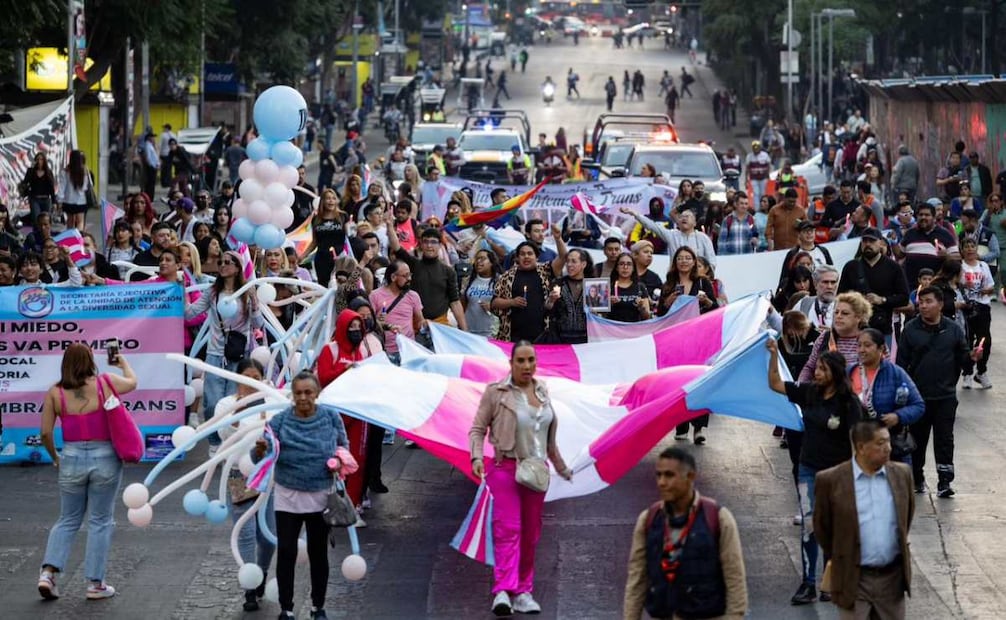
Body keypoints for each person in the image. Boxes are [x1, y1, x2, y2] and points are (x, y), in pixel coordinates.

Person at [469, 341, 572, 616]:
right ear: (511, 363)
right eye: (521, 361)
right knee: (508, 529)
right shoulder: (496, 393)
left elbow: (548, 438)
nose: (527, 366)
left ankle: (524, 591)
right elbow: (477, 429)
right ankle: (503, 590)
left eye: (531, 361)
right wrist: (477, 458)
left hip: (536, 472)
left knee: (530, 534)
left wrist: (563, 467)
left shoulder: (543, 391)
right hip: (504, 468)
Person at [767, 338, 865, 605]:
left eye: (822, 369)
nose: (816, 373)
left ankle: (830, 582)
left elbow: (859, 441)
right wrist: (774, 354)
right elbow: (775, 384)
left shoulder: (849, 404)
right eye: (817, 368)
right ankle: (808, 584)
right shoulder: (810, 392)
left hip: (838, 474)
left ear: (835, 373)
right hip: (808, 470)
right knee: (810, 527)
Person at [37, 343, 138, 601]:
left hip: (70, 457)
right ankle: (96, 584)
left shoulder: (55, 393)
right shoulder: (105, 382)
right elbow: (132, 382)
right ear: (91, 359)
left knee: (68, 518)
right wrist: (122, 362)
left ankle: (48, 573)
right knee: (100, 521)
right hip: (105, 457)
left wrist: (55, 457)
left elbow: (46, 432)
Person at [252, 371, 352, 620]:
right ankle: (286, 609)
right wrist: (260, 448)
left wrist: (339, 461)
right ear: (292, 395)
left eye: (308, 392)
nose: (303, 397)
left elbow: (344, 447)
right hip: (288, 495)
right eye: (298, 393)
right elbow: (260, 458)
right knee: (286, 551)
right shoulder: (279, 421)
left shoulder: (330, 417)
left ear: (317, 393)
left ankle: (318, 607)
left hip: (321, 494)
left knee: (319, 553)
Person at [623, 446, 747, 620]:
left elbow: (735, 579)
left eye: (669, 475)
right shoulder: (648, 519)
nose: (661, 482)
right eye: (658, 475)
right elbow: (637, 579)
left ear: (690, 477)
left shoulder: (718, 518)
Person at [814, 419, 915, 619]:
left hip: (892, 581)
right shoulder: (831, 480)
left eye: (888, 441)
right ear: (860, 447)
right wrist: (842, 553)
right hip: (854, 579)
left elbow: (906, 517)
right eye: (880, 443)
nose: (888, 448)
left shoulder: (902, 475)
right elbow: (822, 528)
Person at [898, 286, 979, 497]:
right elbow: (901, 365)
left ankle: (945, 481)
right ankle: (916, 477)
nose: (923, 306)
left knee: (945, 440)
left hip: (945, 396)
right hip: (918, 399)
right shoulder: (910, 330)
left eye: (928, 302)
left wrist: (972, 358)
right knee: (917, 439)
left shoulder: (953, 329)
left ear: (941, 304)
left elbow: (964, 360)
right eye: (921, 302)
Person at [210, 358, 277, 611]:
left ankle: (261, 574)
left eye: (256, 379)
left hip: (267, 476)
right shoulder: (226, 404)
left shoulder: (272, 403)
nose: (251, 383)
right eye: (246, 378)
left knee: (269, 536)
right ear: (238, 380)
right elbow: (223, 436)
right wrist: (238, 413)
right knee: (246, 533)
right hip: (239, 475)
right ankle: (250, 589)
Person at [184, 250, 263, 445]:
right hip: (214, 354)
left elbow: (258, 323)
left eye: (228, 262)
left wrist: (254, 301)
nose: (222, 265)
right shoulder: (212, 292)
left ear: (237, 268)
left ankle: (229, 444)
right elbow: (190, 314)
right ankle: (214, 442)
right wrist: (181, 293)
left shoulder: (246, 292)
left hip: (238, 355)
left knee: (232, 403)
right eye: (220, 262)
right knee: (212, 404)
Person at [317, 309, 383, 522]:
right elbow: (323, 377)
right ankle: (327, 505)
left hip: (357, 413)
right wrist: (345, 371)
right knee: (330, 459)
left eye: (358, 327)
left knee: (357, 460)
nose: (355, 331)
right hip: (334, 414)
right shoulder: (330, 350)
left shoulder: (362, 351)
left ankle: (352, 507)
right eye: (351, 327)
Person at [850, 328, 926, 465]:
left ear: (881, 348)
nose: (861, 350)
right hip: (855, 446)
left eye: (867, 345)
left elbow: (918, 405)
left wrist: (898, 416)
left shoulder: (895, 374)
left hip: (888, 448)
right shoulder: (849, 372)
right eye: (859, 345)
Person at [492, 230, 567, 343]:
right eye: (522, 254)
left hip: (542, 334)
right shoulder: (506, 277)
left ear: (537, 257)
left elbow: (563, 257)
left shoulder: (545, 270)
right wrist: (512, 302)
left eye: (530, 254)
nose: (526, 257)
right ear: (517, 258)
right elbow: (494, 303)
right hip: (513, 336)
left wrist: (558, 238)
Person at [837, 228, 909, 344]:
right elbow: (840, 296)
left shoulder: (893, 267)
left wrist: (882, 300)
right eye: (865, 241)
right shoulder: (851, 267)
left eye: (872, 241)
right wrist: (857, 300)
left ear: (880, 242)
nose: (868, 244)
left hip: (882, 329)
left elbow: (904, 298)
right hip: (854, 329)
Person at [798, 292, 872, 383]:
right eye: (836, 312)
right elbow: (809, 368)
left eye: (844, 313)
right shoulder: (825, 338)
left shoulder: (872, 340)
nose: (838, 316)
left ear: (859, 317)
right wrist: (801, 387)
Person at [369, 260, 425, 364]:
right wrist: (380, 323)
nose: (409, 279)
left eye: (410, 275)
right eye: (405, 276)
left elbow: (419, 322)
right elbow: (370, 323)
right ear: (393, 277)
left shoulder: (413, 296)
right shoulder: (375, 296)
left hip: (408, 351)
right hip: (384, 352)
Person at [959, 238, 995, 388]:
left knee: (984, 341)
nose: (970, 249)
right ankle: (967, 373)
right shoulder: (960, 266)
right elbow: (953, 283)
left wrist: (986, 290)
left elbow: (991, 286)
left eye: (972, 246)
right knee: (967, 340)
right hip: (966, 306)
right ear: (962, 250)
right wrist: (963, 284)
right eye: (966, 246)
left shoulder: (983, 265)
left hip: (982, 306)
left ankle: (981, 372)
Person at [298, 188, 347, 287]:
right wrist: (302, 256)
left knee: (340, 286)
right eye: (328, 198)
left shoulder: (342, 216)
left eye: (333, 198)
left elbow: (349, 238)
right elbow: (314, 242)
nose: (331, 201)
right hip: (322, 259)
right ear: (323, 201)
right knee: (324, 287)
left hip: (339, 258)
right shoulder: (316, 219)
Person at [545, 249, 594, 344]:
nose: (569, 264)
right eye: (567, 261)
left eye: (574, 261)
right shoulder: (558, 283)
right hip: (560, 339)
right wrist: (550, 301)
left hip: (587, 339)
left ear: (583, 264)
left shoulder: (593, 285)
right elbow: (547, 309)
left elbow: (601, 313)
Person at [608, 252, 652, 323]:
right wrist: (608, 304)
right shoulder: (608, 287)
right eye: (622, 264)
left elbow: (647, 317)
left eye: (629, 264)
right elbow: (601, 315)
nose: (625, 267)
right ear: (616, 267)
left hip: (634, 330)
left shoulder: (640, 287)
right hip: (612, 330)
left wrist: (641, 308)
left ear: (633, 268)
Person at [58, 150, 94, 232]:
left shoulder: (65, 171)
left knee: (70, 223)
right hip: (81, 201)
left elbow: (62, 188)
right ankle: (79, 239)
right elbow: (87, 186)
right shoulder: (85, 170)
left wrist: (59, 201)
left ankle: (70, 240)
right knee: (80, 222)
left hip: (68, 201)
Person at [21, 152, 58, 226]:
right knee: (36, 220)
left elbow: (51, 188)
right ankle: (36, 235)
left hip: (46, 199)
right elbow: (24, 184)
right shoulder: (31, 171)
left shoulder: (48, 172)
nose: (39, 161)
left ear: (44, 161)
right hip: (35, 199)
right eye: (37, 159)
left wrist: (54, 202)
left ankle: (45, 236)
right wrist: (27, 192)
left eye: (41, 159)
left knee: (46, 220)